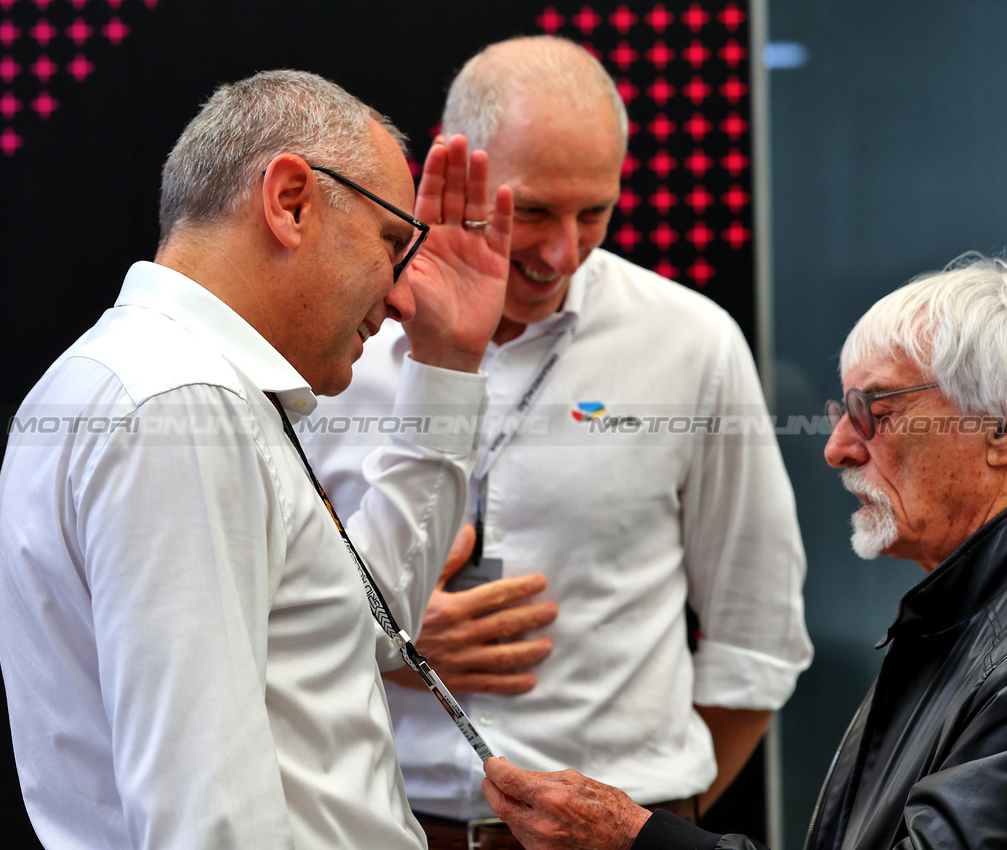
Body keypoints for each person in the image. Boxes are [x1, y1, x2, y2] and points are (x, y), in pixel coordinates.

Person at [477, 254, 1007, 850]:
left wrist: (639, 841)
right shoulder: (993, 606)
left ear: (1005, 425)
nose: (836, 449)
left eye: (876, 411)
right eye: (841, 413)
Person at [301, 36, 812, 846]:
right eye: (531, 209)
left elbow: (758, 643)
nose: (560, 252)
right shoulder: (334, 346)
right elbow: (244, 623)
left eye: (595, 213)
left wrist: (646, 825)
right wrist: (377, 636)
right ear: (455, 165)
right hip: (373, 828)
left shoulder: (690, 341)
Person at [0, 70, 514, 849]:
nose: (404, 297)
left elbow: (367, 622)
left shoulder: (159, 383)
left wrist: (445, 361)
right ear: (290, 201)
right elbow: (206, 818)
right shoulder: (181, 404)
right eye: (390, 243)